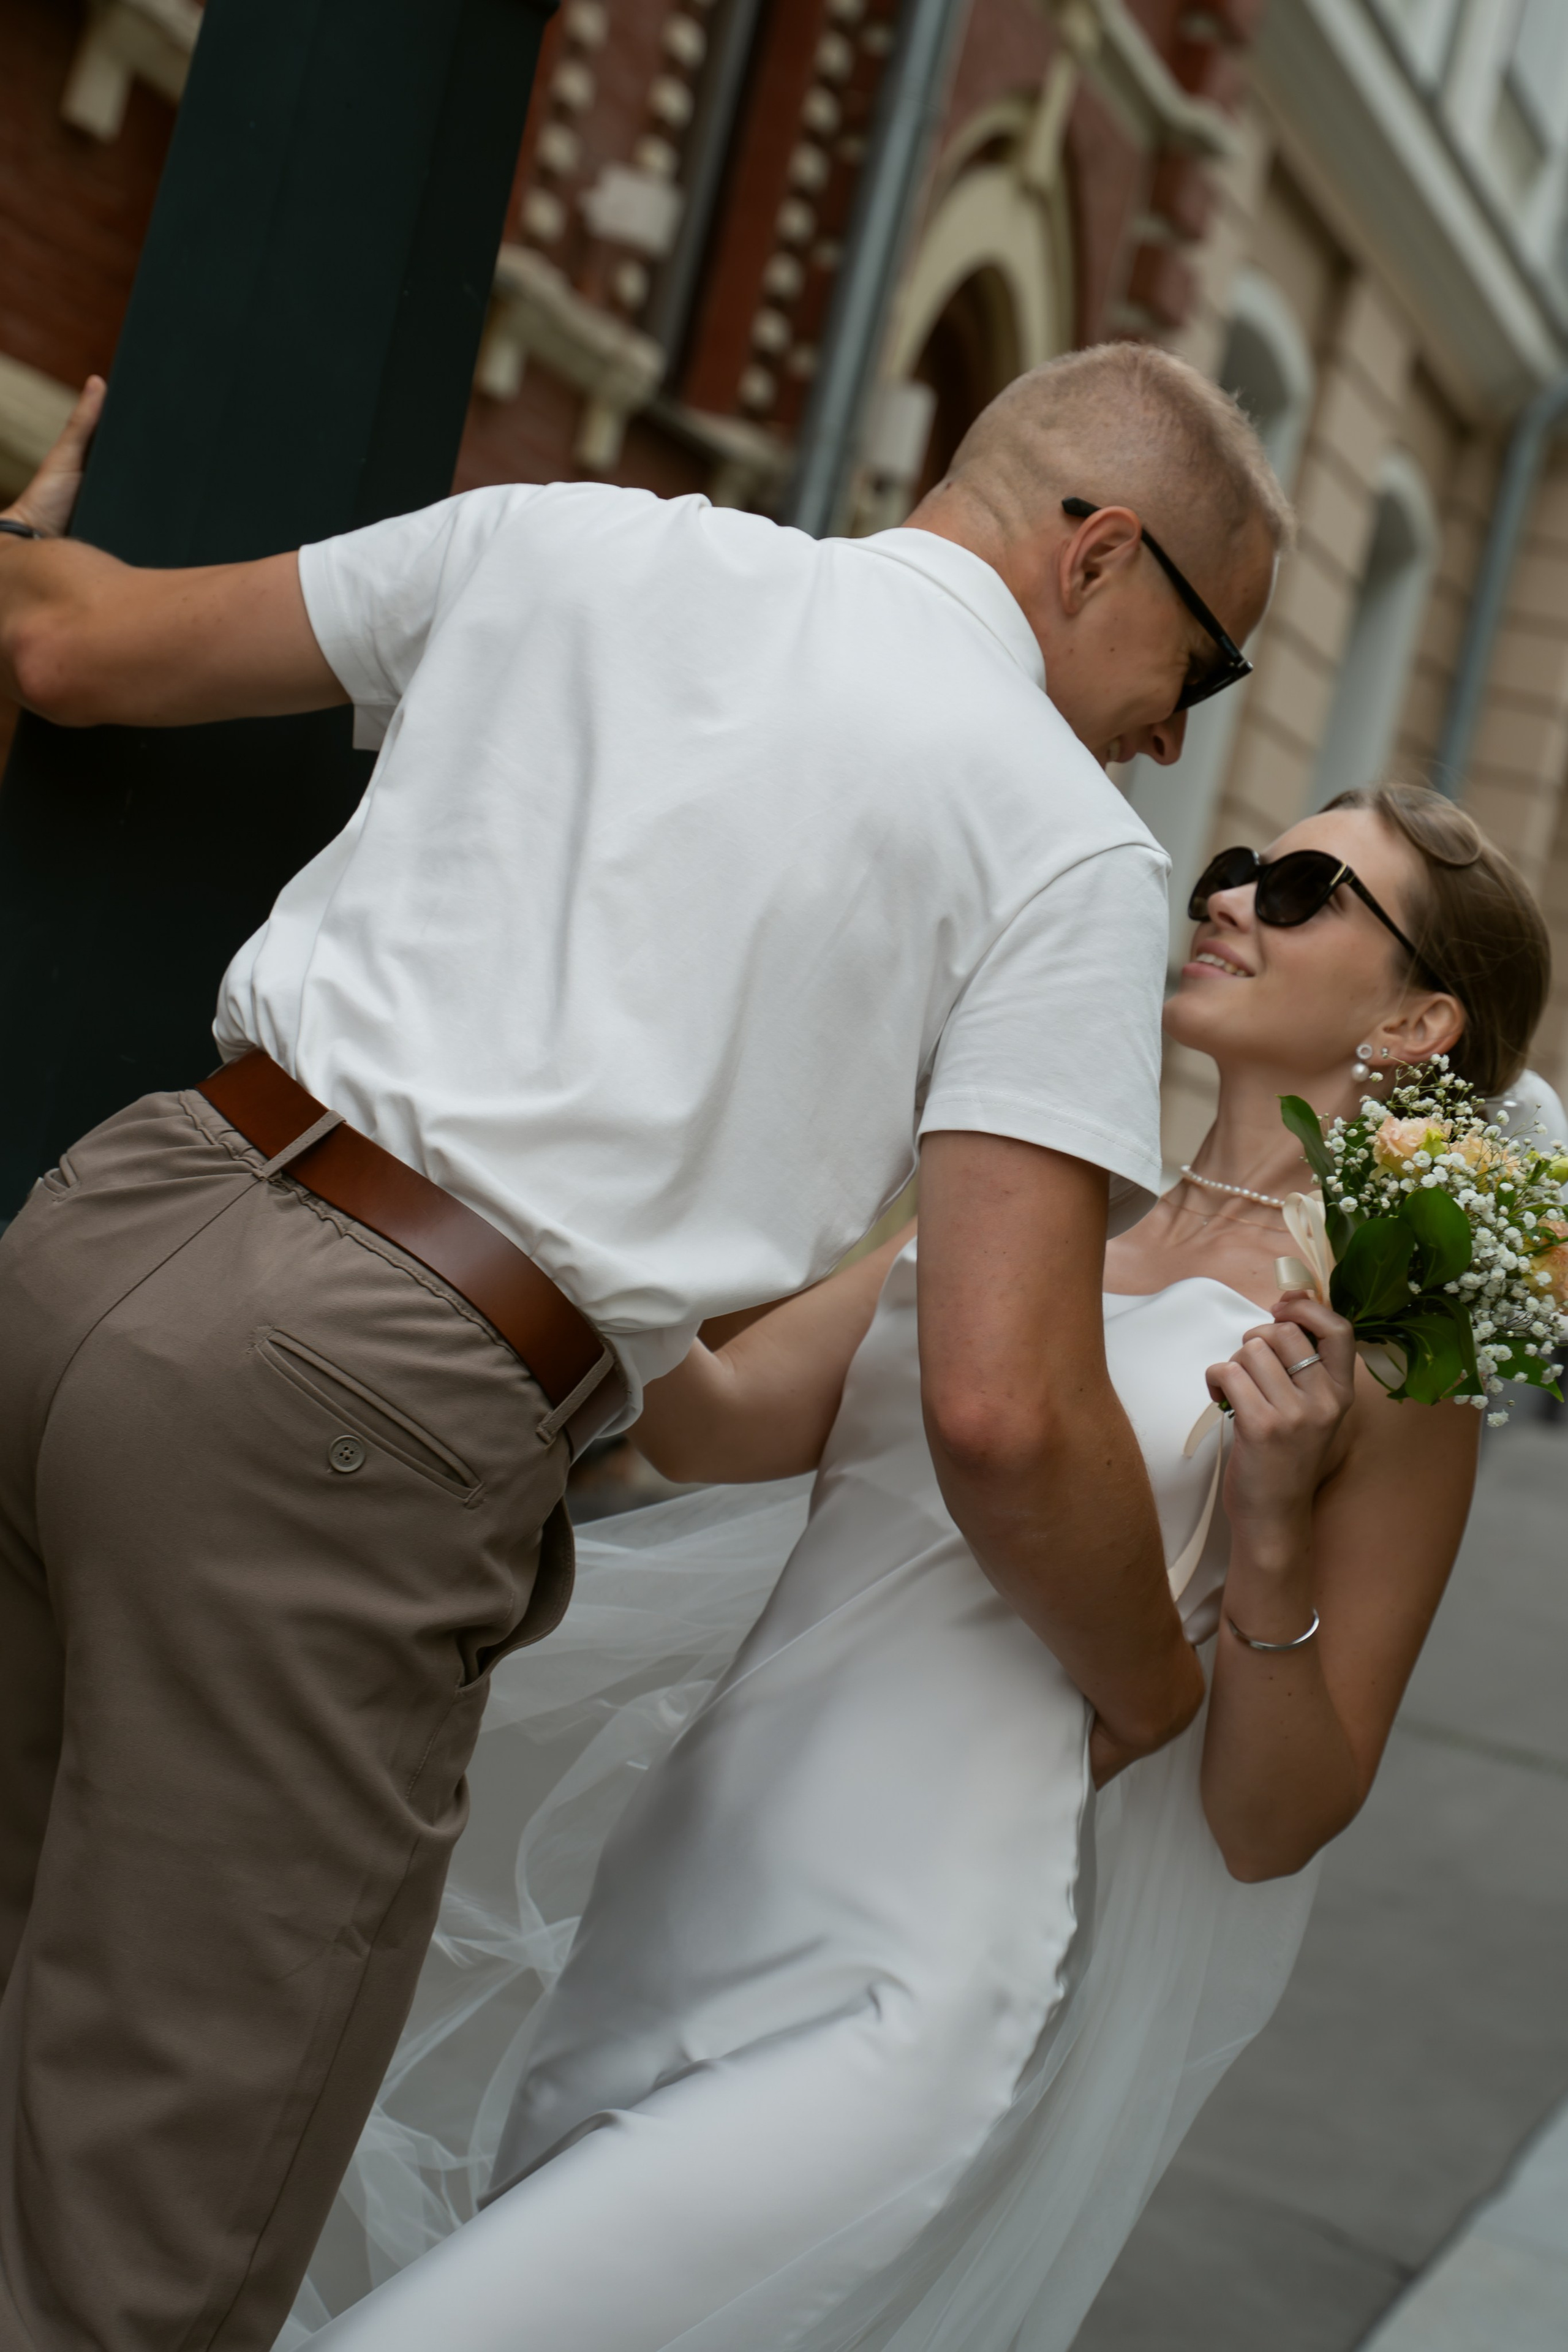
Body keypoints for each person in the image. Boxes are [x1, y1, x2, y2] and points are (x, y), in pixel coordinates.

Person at [0, 346, 1284, 2352]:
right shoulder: (1062, 849)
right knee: (153, 2230)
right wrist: (1151, 1676)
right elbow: (1006, 1407)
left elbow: (64, 645)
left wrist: (33, 519)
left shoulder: (566, 539)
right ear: (1099, 551)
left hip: (105, 1235)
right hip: (361, 1421)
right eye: (1196, 675)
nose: (1166, 743)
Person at [290, 785, 1553, 2352]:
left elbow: (1270, 1819)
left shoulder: (1375, 1361)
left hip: (902, 1978)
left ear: (1417, 1018)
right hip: (681, 1887)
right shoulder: (1033, 1213)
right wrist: (589, 1211)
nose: (1224, 900)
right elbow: (719, 1422)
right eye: (1233, 868)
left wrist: (1276, 1526)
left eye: (1297, 890)